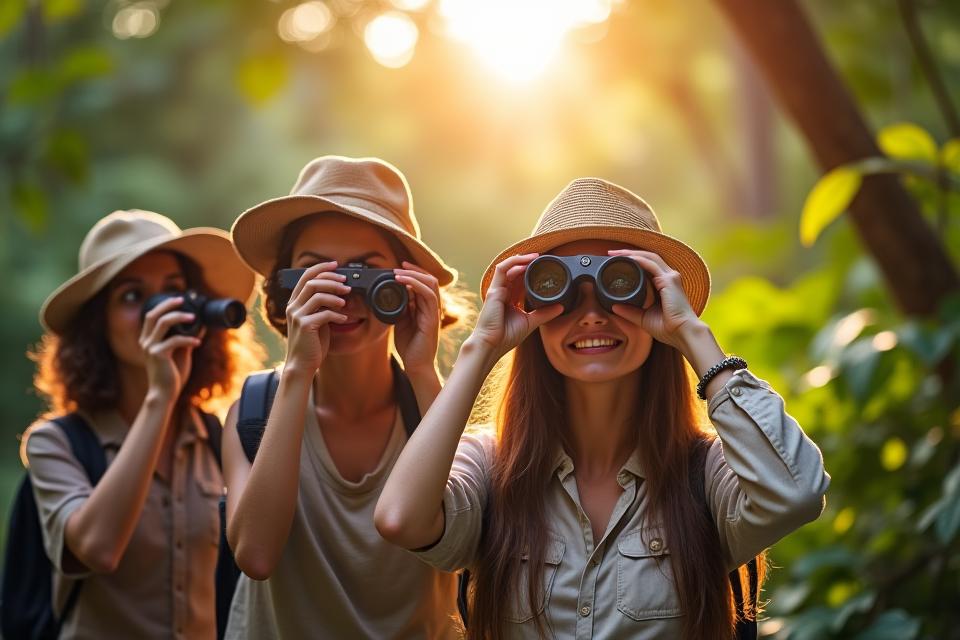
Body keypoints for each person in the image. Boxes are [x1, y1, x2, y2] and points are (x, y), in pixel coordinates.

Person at [376, 177, 831, 639]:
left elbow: (796, 493)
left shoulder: (705, 476)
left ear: (656, 298)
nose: (592, 315)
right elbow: (400, 519)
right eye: (561, 288)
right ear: (533, 311)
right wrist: (483, 347)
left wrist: (692, 334)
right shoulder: (494, 469)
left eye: (619, 286)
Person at [223, 156, 471, 639]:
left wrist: (422, 368)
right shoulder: (252, 414)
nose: (344, 295)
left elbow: (469, 538)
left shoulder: (430, 406)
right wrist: (297, 372)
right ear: (285, 290)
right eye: (318, 275)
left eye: (366, 273)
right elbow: (255, 555)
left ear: (405, 285)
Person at [26, 209, 262, 639]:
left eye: (175, 292)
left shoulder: (218, 438)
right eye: (133, 297)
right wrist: (160, 397)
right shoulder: (55, 443)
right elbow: (97, 549)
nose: (161, 311)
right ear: (98, 325)